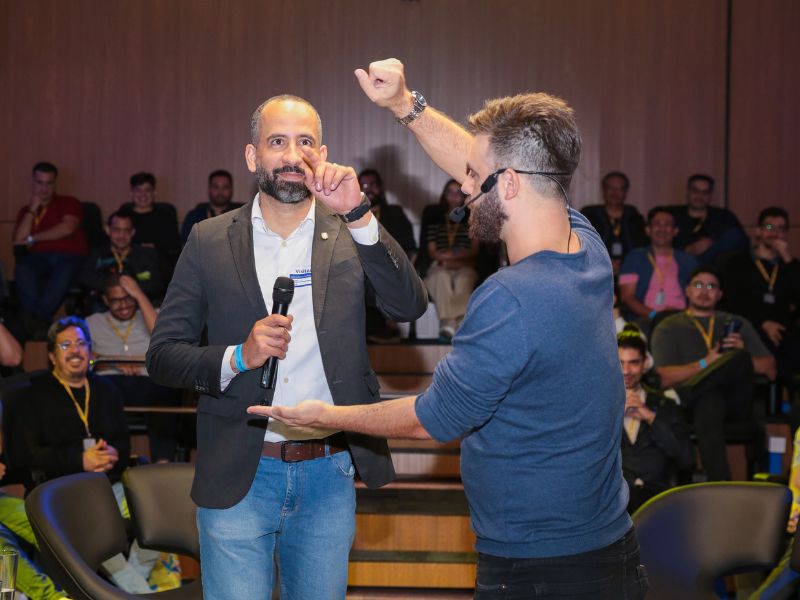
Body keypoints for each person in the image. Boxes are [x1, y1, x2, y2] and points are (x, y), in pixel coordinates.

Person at [248, 59, 647, 598]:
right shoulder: (587, 246)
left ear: (507, 185)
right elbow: (489, 160)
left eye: (471, 179)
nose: (461, 188)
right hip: (611, 550)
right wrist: (404, 104)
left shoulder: (509, 299)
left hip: (538, 567)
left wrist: (324, 415)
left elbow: (431, 419)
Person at [146, 94, 427, 598]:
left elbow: (409, 306)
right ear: (253, 157)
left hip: (328, 471)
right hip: (236, 474)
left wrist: (360, 215)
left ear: (322, 153)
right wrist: (238, 356)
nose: (292, 155)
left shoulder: (350, 232)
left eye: (304, 142)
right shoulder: (208, 240)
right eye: (277, 142)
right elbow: (163, 355)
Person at [651, 266, 776, 481]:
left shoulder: (737, 324)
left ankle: (687, 392)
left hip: (736, 404)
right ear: (687, 291)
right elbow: (662, 377)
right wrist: (706, 362)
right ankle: (720, 484)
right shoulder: (669, 326)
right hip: (689, 409)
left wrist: (741, 351)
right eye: (698, 285)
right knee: (709, 399)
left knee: (739, 357)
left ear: (719, 295)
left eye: (711, 286)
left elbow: (771, 370)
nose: (704, 291)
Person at [86, 274, 178, 462]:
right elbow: (86, 357)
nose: (124, 305)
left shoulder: (152, 314)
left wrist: (139, 295)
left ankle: (163, 462)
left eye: (128, 298)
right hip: (111, 382)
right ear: (105, 300)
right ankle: (107, 460)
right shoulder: (92, 323)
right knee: (97, 393)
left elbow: (161, 336)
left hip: (149, 383)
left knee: (167, 393)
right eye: (116, 301)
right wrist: (113, 363)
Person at [720, 207, 800, 385]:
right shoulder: (738, 262)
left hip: (783, 326)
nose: (775, 233)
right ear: (758, 231)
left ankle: (783, 397)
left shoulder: (789, 266)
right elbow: (732, 301)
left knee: (790, 343)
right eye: (769, 227)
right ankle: (778, 397)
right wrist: (763, 323)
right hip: (749, 322)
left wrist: (787, 258)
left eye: (780, 229)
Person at [617, 327, 693, 513]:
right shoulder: (600, 407)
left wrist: (650, 417)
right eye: (620, 363)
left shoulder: (665, 404)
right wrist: (615, 417)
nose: (626, 371)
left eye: (633, 363)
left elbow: (686, 458)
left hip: (658, 499)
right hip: (615, 500)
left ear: (645, 364)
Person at [13, 162, 88, 337]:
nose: (44, 188)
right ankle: (39, 320)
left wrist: (32, 238)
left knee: (66, 269)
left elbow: (67, 228)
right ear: (33, 183)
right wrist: (32, 209)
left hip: (68, 255)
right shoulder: (26, 211)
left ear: (55, 184)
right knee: (23, 269)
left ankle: (35, 319)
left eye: (48, 183)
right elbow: (18, 240)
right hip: (38, 258)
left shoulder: (68, 202)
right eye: (39, 183)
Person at [420, 179, 480, 341]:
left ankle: (449, 326)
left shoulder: (472, 220)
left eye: (458, 192)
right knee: (442, 277)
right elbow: (433, 252)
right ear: (444, 195)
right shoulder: (435, 219)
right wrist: (458, 254)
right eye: (450, 192)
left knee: (465, 277)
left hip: (465, 266)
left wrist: (448, 257)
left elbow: (474, 250)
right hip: (439, 266)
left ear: (465, 196)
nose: (454, 196)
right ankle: (455, 322)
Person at [618, 206, 698, 325]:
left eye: (667, 225)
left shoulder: (688, 261)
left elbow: (698, 294)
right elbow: (627, 297)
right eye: (657, 224)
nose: (662, 229)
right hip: (646, 320)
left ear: (675, 231)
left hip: (682, 321)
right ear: (648, 230)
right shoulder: (634, 258)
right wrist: (655, 316)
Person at [79, 209, 164, 307]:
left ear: (132, 232)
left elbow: (155, 284)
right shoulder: (96, 254)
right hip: (104, 309)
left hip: (140, 309)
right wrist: (116, 286)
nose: (121, 235)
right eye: (116, 230)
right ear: (108, 230)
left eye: (126, 230)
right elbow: (84, 277)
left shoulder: (147, 254)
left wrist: (130, 289)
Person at [670, 174, 748, 266]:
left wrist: (713, 246)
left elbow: (742, 242)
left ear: (710, 195)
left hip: (717, 268)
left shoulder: (724, 216)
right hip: (681, 265)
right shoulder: (674, 217)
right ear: (688, 192)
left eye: (705, 192)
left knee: (734, 235)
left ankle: (698, 265)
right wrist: (687, 250)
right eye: (695, 191)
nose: (700, 196)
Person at [581, 171, 648, 272]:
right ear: (603, 191)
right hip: (596, 271)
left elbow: (641, 250)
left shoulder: (635, 219)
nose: (614, 192)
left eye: (619, 188)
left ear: (625, 192)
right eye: (610, 188)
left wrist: (626, 264)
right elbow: (582, 247)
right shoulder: (589, 216)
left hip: (631, 272)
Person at [119, 172, 181, 281]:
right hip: (127, 262)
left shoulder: (165, 217)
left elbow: (174, 247)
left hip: (156, 265)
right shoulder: (122, 215)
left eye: (147, 190)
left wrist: (155, 248)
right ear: (131, 193)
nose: (143, 195)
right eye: (138, 190)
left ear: (154, 193)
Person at [180, 169, 243, 243]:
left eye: (225, 187)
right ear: (209, 189)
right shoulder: (194, 216)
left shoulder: (241, 217)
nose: (220, 192)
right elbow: (185, 247)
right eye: (216, 187)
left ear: (231, 189)